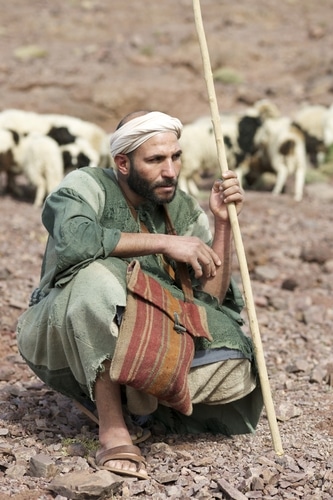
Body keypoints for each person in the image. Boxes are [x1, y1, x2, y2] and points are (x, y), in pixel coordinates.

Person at [17, 110, 263, 480]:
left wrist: (223, 225)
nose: (171, 171)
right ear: (122, 162)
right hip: (59, 328)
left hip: (151, 331)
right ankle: (114, 426)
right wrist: (165, 243)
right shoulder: (87, 184)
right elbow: (74, 242)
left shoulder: (182, 208)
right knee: (95, 279)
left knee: (237, 367)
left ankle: (138, 393)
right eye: (156, 160)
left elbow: (209, 301)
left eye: (175, 157)